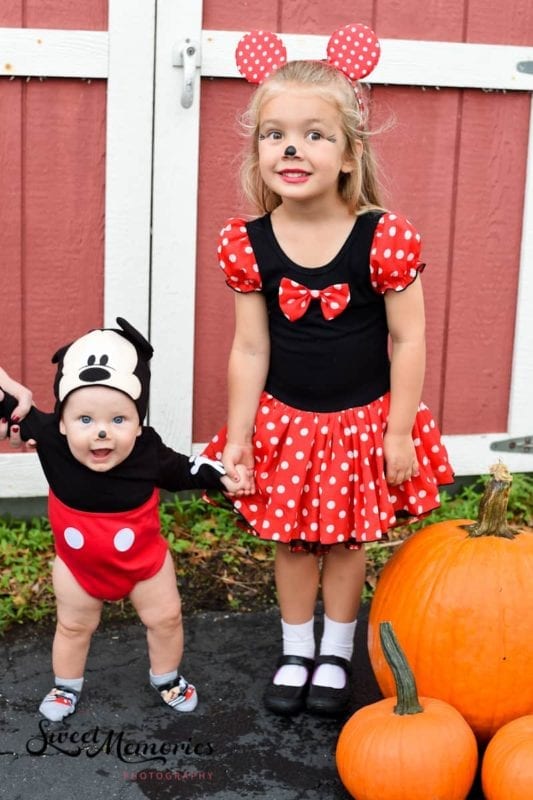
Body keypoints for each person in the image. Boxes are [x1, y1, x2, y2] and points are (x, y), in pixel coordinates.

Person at [203, 24, 454, 717]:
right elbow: (249, 348)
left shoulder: (383, 237)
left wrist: (398, 431)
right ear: (257, 154)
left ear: (348, 155)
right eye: (273, 134)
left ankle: (335, 655)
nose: (290, 148)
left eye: (314, 134)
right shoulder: (247, 244)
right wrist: (238, 436)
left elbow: (408, 339)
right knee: (291, 543)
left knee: (344, 545)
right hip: (286, 421)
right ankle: (294, 649)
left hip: (360, 422)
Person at [0, 318, 248, 722]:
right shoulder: (48, 438)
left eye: (119, 420)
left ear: (139, 423)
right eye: (85, 420)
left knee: (166, 618)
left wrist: (220, 475)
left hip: (144, 563)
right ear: (62, 422)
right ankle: (66, 685)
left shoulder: (148, 452)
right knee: (74, 627)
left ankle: (166, 678)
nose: (102, 433)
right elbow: (8, 404)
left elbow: (187, 469)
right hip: (78, 566)